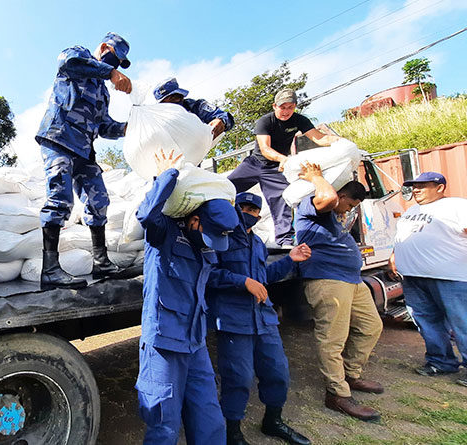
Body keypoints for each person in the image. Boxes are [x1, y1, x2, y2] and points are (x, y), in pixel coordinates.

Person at [135, 149, 239, 445]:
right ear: (194, 219)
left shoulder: (206, 246)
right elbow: (145, 214)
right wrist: (166, 175)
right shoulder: (163, 233)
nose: (211, 244)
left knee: (209, 418)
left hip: (195, 341)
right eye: (208, 233)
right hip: (164, 342)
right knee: (163, 424)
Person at [207, 192, 312, 445]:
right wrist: (242, 281)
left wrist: (290, 259)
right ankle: (232, 433)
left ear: (259, 214)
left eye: (253, 210)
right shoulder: (220, 238)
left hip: (264, 318)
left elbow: (264, 276)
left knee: (278, 372)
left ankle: (273, 421)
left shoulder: (257, 243)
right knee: (238, 378)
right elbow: (208, 274)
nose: (248, 213)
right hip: (234, 319)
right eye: (243, 208)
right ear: (234, 209)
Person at [35, 32, 133, 290]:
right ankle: (50, 269)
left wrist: (127, 129)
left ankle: (101, 262)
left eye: (119, 65)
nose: (115, 66)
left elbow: (104, 126)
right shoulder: (78, 56)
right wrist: (110, 74)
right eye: (115, 59)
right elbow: (68, 64)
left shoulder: (103, 92)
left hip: (84, 149)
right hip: (59, 138)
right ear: (104, 48)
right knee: (60, 199)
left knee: (99, 200)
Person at [294, 162, 384, 422]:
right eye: (350, 205)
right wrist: (316, 177)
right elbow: (330, 197)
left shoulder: (333, 217)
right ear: (341, 196)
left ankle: (350, 375)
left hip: (352, 280)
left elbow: (336, 203)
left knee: (371, 326)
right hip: (328, 280)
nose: (348, 210)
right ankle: (336, 394)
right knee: (333, 338)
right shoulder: (311, 206)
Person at [227, 88, 340, 246]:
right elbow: (265, 149)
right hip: (255, 164)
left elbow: (319, 138)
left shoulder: (300, 120)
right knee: (226, 188)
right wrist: (284, 159)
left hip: (275, 170)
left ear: (295, 107)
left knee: (282, 201)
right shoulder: (265, 121)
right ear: (275, 106)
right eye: (282, 107)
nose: (286, 111)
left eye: (290, 107)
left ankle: (285, 241)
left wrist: (340, 142)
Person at [388, 172, 467, 387]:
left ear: (440, 187)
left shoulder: (457, 206)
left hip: (451, 278)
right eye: (414, 187)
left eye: (422, 186)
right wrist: (395, 255)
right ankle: (440, 362)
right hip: (414, 277)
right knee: (426, 321)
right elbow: (405, 236)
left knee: (463, 322)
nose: (416, 190)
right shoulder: (413, 210)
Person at [153, 77, 234, 139]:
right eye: (170, 100)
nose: (177, 101)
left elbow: (224, 117)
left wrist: (221, 121)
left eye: (177, 97)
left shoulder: (194, 106)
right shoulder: (156, 120)